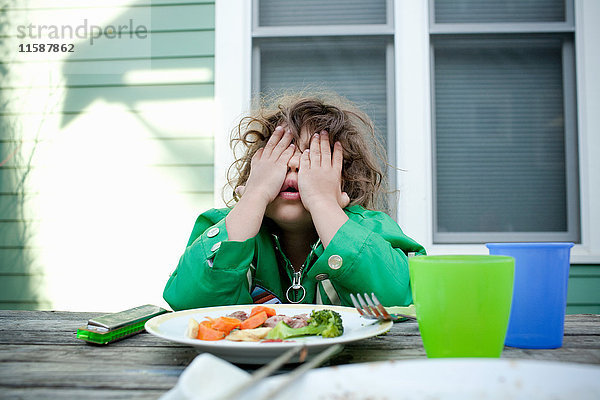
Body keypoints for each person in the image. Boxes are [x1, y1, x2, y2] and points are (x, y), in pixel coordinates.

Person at [163, 91, 425, 311]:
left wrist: (324, 203)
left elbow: (402, 300)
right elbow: (189, 305)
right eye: (279, 155)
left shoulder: (374, 229)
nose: (294, 164)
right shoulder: (224, 226)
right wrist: (254, 197)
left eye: (314, 157)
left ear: (345, 182)